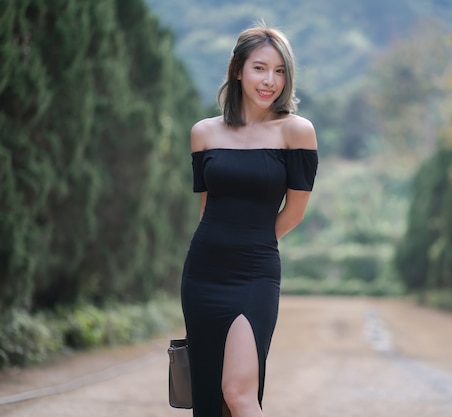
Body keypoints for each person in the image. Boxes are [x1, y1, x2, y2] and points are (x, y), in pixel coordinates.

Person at [180, 22, 318, 417]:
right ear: (237, 69)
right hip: (203, 273)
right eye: (260, 68)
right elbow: (207, 209)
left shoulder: (297, 132)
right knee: (209, 398)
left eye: (279, 71)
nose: (269, 81)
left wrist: (252, 242)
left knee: (239, 393)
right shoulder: (203, 133)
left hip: (255, 273)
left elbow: (294, 211)